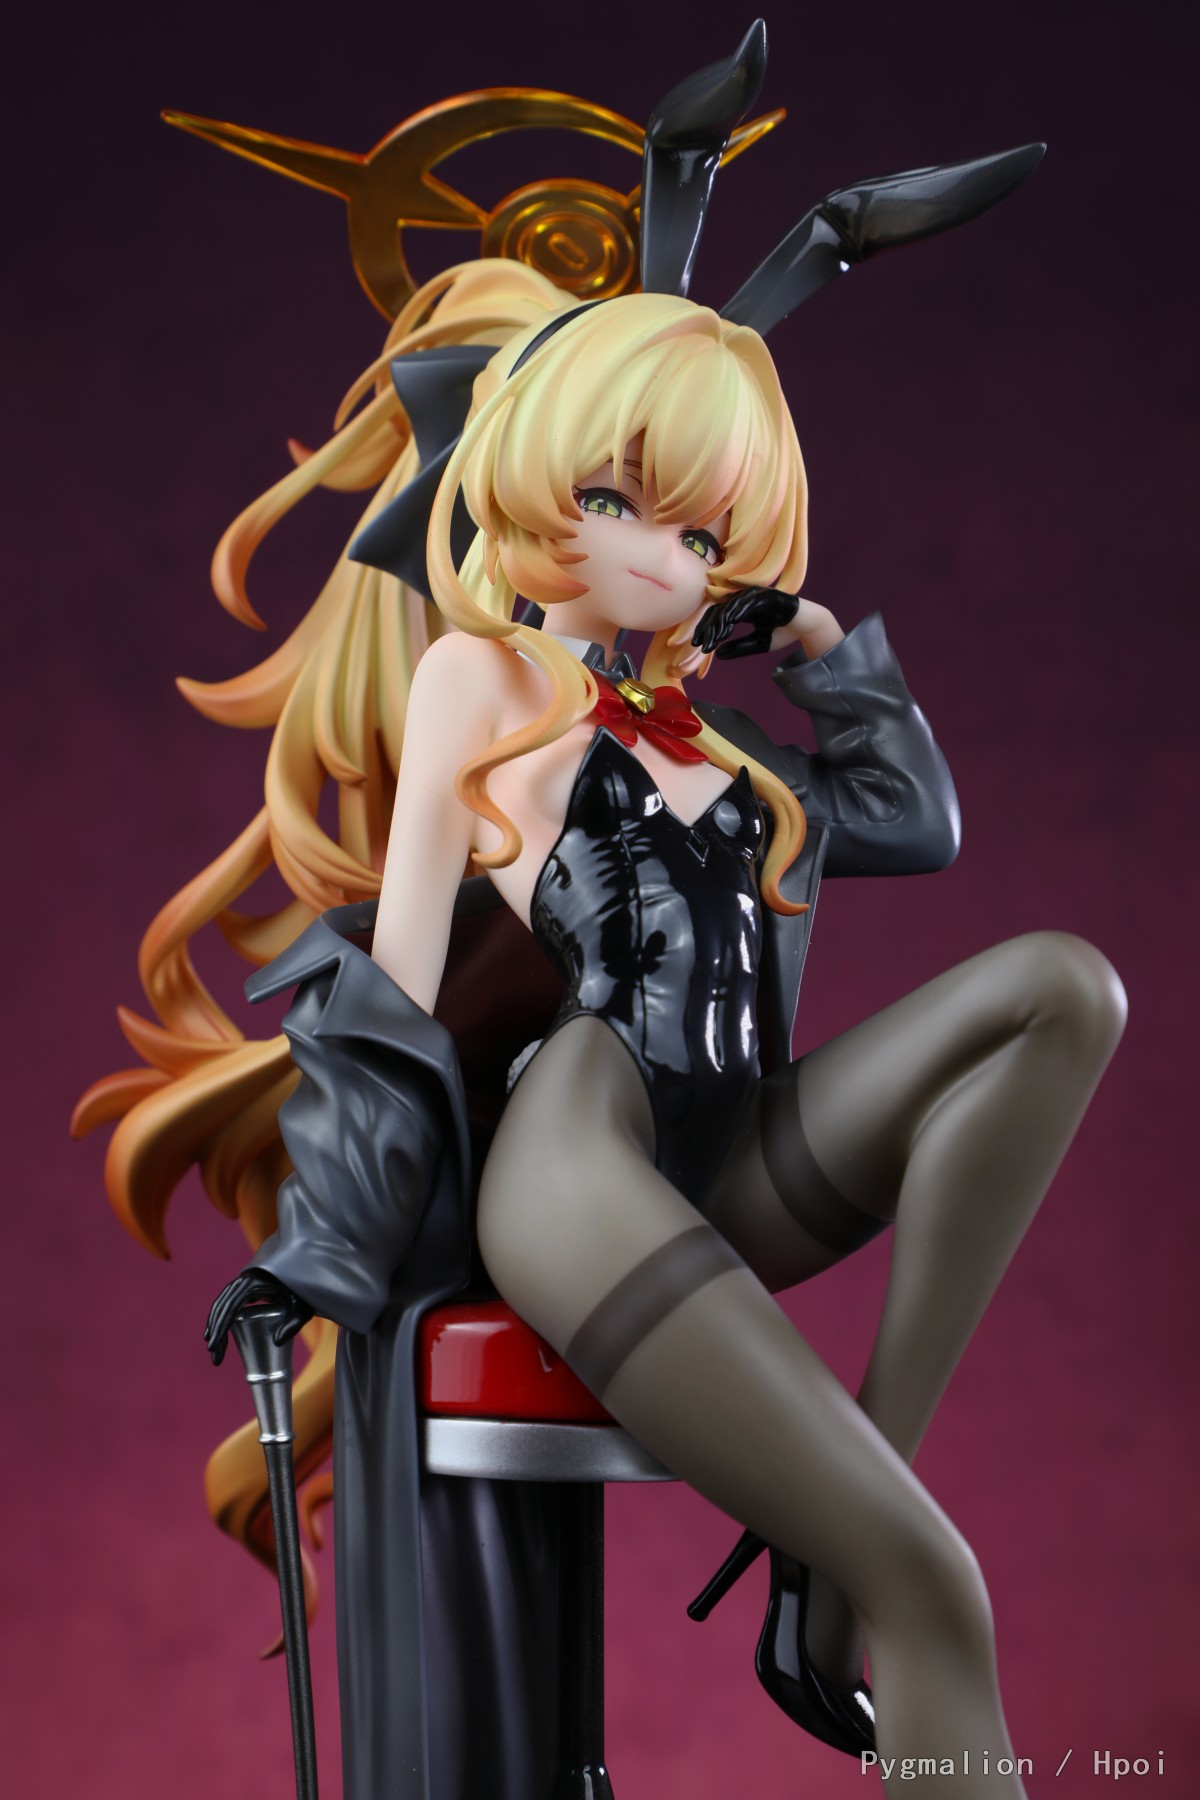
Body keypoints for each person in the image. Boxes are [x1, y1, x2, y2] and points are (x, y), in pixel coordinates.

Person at [203, 289, 1124, 1800]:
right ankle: (861, 1562)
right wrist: (317, 1248)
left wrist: (814, 641)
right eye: (615, 499)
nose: (660, 555)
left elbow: (913, 821)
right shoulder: (480, 682)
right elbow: (398, 991)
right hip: (580, 1170)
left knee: (1062, 991)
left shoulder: (714, 738)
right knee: (937, 1583)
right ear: (532, 473)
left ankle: (838, 1534)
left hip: (724, 1155)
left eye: (700, 532)